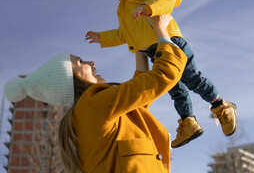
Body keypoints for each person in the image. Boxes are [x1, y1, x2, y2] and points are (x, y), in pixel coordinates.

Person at [85, 0, 238, 148]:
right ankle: (188, 121)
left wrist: (148, 7)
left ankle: (221, 106)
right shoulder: (127, 9)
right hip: (155, 52)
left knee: (191, 79)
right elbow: (124, 34)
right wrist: (102, 38)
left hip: (171, 42)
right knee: (173, 88)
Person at [4, 15, 187, 173]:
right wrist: (161, 31)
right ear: (72, 79)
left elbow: (137, 100)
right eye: (81, 61)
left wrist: (139, 46)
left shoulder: (88, 111)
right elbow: (163, 76)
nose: (91, 62)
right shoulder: (93, 104)